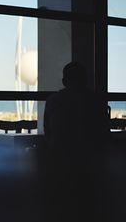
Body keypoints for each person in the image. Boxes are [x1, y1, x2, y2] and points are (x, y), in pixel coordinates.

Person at [42, 61, 109, 222]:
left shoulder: (53, 101)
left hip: (60, 168)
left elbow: (48, 132)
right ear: (86, 80)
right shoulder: (96, 102)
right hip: (89, 169)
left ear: (64, 82)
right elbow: (103, 136)